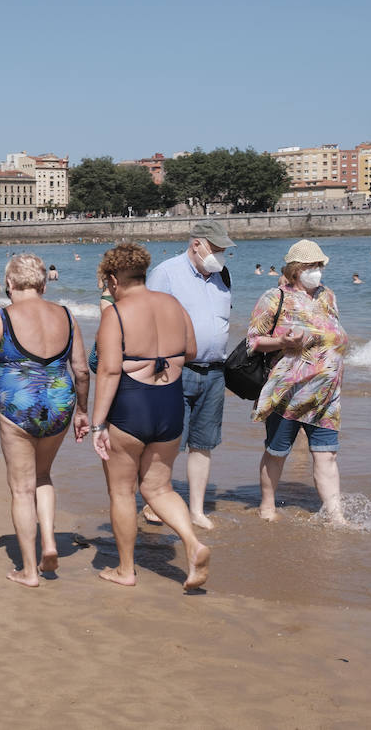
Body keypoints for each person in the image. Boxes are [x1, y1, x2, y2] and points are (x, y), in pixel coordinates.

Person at [86, 242, 209, 592]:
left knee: (122, 491)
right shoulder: (172, 303)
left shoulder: (117, 313)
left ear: (113, 279)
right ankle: (191, 542)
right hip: (169, 402)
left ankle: (126, 570)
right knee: (159, 487)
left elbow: (108, 371)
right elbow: (191, 350)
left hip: (131, 405)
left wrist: (98, 424)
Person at [0, 253, 88, 587]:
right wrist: (82, 411)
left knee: (21, 489)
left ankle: (30, 570)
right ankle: (49, 541)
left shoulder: (3, 317)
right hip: (60, 402)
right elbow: (81, 369)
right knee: (43, 475)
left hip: (19, 405)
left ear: (8, 283)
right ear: (44, 282)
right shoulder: (67, 315)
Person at [246, 239, 348, 524]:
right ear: (295, 270)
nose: (317, 271)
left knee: (327, 455)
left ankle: (335, 514)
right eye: (311, 266)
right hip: (288, 395)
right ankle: (267, 505)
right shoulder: (273, 298)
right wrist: (281, 341)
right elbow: (252, 341)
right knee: (277, 452)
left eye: (319, 265)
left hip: (327, 397)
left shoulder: (328, 296)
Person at [144, 219, 234, 530]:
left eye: (224, 249)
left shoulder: (223, 275)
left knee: (203, 443)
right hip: (175, 370)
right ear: (196, 244)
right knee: (167, 442)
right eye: (216, 248)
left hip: (215, 373)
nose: (221, 254)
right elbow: (148, 321)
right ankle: (155, 503)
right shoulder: (166, 273)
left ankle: (196, 510)